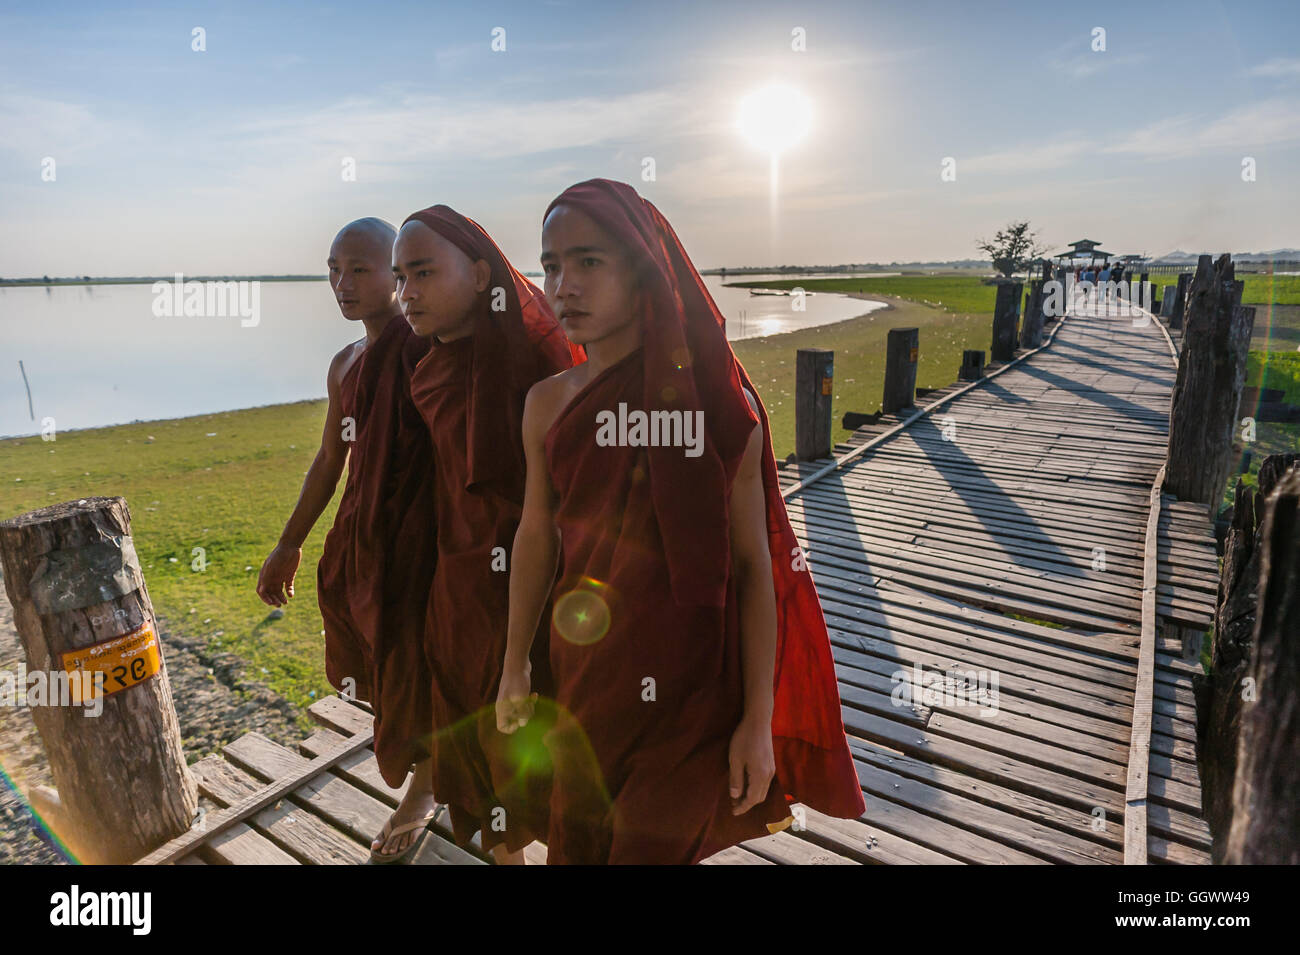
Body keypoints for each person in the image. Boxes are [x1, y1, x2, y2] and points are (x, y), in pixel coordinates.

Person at [496, 179, 865, 864]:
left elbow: (757, 568)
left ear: (643, 271)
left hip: (694, 686)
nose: (562, 285)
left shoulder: (719, 412)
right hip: (584, 676)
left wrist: (758, 722)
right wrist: (515, 661)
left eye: (588, 262)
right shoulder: (547, 405)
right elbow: (536, 537)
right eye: (550, 265)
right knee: (577, 842)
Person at [395, 204, 582, 864]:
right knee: (469, 731)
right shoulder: (423, 366)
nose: (406, 293)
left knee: (537, 737)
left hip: (533, 580)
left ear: (479, 275)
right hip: (456, 582)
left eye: (422, 272)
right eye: (400, 277)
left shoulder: (533, 361)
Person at [257, 217, 440, 862]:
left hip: (425, 539)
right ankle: (429, 764)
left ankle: (426, 788)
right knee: (377, 655)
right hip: (362, 536)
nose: (342, 283)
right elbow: (331, 459)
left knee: (424, 657)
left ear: (397, 275)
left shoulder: (428, 349)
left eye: (359, 270)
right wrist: (289, 542)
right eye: (334, 269)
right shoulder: (345, 364)